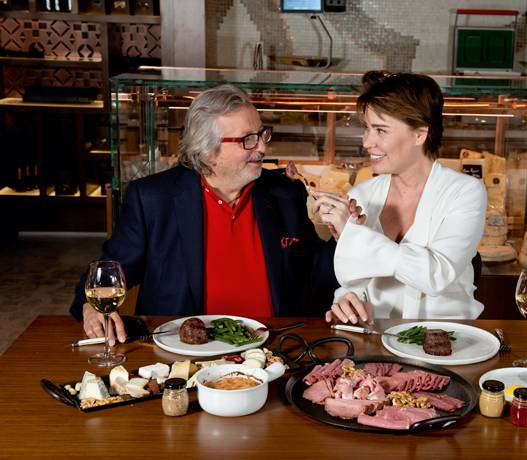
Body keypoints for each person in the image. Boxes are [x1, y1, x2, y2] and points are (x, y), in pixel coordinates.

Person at [70, 85, 338, 343]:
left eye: (261, 134)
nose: (262, 148)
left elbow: (315, 276)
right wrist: (90, 307)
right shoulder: (153, 199)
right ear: (208, 151)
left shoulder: (285, 193)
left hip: (271, 347)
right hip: (182, 350)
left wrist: (342, 235)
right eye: (248, 140)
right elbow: (110, 272)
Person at [314, 71, 487, 323]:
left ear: (419, 134)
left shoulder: (465, 192)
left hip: (446, 335)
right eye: (367, 128)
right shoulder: (361, 194)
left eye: (380, 130)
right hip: (374, 333)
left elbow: (436, 274)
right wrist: (347, 299)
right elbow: (356, 279)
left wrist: (356, 237)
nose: (367, 142)